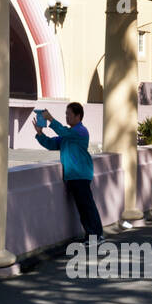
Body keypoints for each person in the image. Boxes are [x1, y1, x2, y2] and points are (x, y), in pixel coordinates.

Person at [34, 102, 104, 242]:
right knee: (84, 207)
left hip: (80, 174)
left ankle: (95, 236)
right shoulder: (68, 134)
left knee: (86, 206)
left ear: (78, 116)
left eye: (69, 114)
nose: (67, 117)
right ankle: (93, 235)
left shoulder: (80, 131)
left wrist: (50, 119)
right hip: (73, 176)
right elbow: (52, 144)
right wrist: (40, 133)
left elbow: (63, 132)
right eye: (66, 114)